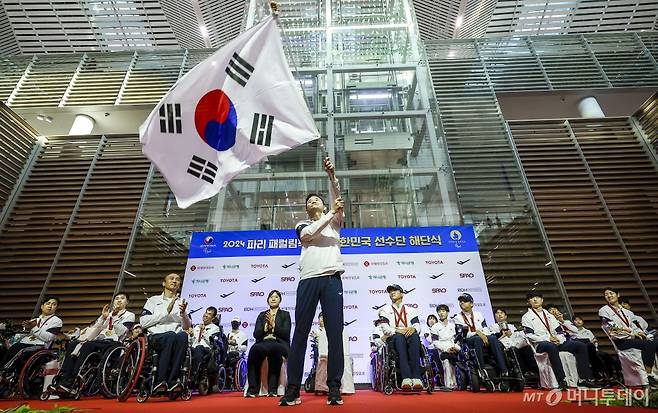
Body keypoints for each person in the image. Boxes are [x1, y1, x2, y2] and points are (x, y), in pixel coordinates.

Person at [281, 157, 345, 407]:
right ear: (307, 209)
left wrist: (332, 176)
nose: (313, 202)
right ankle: (293, 389)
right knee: (301, 333)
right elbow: (309, 235)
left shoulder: (336, 223)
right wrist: (330, 211)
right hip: (308, 280)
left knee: (335, 334)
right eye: (309, 202)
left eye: (316, 199)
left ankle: (334, 388)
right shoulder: (303, 225)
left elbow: (336, 199)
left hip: (331, 279)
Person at [56, 292, 134, 392]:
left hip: (114, 343)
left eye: (122, 298)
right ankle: (63, 378)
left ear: (127, 302)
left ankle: (73, 380)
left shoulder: (129, 315)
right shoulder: (108, 313)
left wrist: (111, 318)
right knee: (72, 345)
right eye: (117, 298)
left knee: (88, 345)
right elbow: (95, 329)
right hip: (98, 340)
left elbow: (120, 332)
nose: (119, 300)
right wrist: (102, 317)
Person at [522, 291, 597, 389]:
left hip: (556, 342)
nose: (535, 300)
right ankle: (561, 380)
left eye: (537, 297)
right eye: (532, 298)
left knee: (580, 346)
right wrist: (548, 338)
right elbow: (530, 335)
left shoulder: (549, 315)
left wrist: (559, 339)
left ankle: (584, 379)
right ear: (529, 301)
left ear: (542, 300)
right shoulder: (527, 317)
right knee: (551, 346)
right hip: (541, 344)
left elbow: (560, 332)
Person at [139, 273, 191, 393]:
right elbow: (143, 322)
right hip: (156, 337)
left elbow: (187, 326)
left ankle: (173, 381)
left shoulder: (182, 302)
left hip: (176, 337)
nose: (174, 281)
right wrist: (165, 313)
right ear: (164, 283)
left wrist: (183, 315)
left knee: (183, 336)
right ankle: (160, 381)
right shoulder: (153, 300)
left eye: (177, 279)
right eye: (171, 279)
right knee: (171, 335)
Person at [599, 287, 657, 384]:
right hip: (621, 341)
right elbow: (614, 330)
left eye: (611, 293)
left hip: (631, 338)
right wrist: (632, 333)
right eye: (606, 295)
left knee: (653, 343)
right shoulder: (604, 311)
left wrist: (638, 332)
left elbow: (632, 326)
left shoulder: (627, 312)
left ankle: (651, 374)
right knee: (648, 344)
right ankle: (649, 375)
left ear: (618, 295)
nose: (609, 296)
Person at [0, 296, 62, 375]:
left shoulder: (57, 321)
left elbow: (49, 337)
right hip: (27, 343)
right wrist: (22, 331)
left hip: (41, 346)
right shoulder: (34, 320)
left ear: (56, 308)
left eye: (54, 304)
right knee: (7, 347)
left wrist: (34, 327)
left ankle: (5, 369)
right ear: (42, 306)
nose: (50, 306)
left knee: (18, 347)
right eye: (48, 303)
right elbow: (25, 335)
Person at [378, 284, 423, 391]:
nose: (392, 293)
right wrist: (399, 330)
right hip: (394, 339)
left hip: (409, 336)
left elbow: (417, 324)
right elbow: (385, 329)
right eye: (390, 291)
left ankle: (416, 378)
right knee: (399, 338)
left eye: (395, 290)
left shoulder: (411, 309)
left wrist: (413, 329)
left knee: (415, 336)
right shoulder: (385, 310)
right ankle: (406, 378)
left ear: (402, 294)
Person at [247, 290, 291, 398]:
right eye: (271, 297)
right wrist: (265, 328)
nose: (273, 299)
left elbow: (286, 333)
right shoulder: (262, 315)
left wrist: (274, 326)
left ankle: (273, 389)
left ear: (280, 300)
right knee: (254, 350)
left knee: (275, 350)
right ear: (268, 300)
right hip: (263, 342)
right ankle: (253, 389)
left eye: (276, 297)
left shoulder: (285, 314)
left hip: (278, 342)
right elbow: (256, 334)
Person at [452, 293, 508, 376]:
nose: (462, 303)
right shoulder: (457, 317)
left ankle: (503, 370)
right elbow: (463, 335)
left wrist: (483, 334)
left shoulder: (479, 314)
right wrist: (477, 333)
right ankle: (482, 369)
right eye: (460, 301)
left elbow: (485, 328)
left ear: (471, 304)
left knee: (492, 338)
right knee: (477, 339)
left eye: (465, 301)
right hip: (468, 340)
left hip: (482, 336)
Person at [311, 312, 355, 394]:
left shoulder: (342, 329)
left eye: (324, 317)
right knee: (323, 366)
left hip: (342, 352)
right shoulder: (318, 331)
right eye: (320, 317)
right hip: (324, 354)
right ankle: (322, 388)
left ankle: (346, 388)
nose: (322, 319)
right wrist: (317, 338)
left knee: (344, 363)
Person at [430, 304, 459, 388]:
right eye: (439, 311)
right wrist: (446, 349)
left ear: (447, 312)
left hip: (454, 348)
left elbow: (457, 339)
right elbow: (435, 342)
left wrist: (456, 347)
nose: (441, 313)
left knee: (456, 363)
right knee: (446, 362)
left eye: (443, 311)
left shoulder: (453, 325)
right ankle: (449, 385)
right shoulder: (435, 327)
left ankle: (458, 383)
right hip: (443, 350)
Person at [189, 307, 220, 379]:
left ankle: (194, 374)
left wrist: (204, 331)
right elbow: (191, 342)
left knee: (199, 348)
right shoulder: (197, 327)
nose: (205, 315)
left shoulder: (215, 328)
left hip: (207, 350)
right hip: (194, 348)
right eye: (206, 312)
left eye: (209, 314)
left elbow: (213, 342)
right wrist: (191, 335)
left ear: (213, 318)